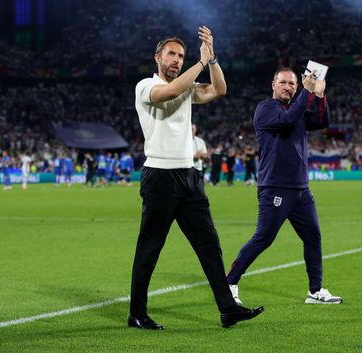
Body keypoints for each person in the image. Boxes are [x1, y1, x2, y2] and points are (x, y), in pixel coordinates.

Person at [129, 27, 264, 330]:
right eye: (171, 54)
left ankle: (227, 309)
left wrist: (212, 59)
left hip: (190, 177)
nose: (176, 59)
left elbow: (219, 90)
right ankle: (137, 313)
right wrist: (199, 64)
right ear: (158, 57)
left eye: (181, 55)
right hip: (160, 177)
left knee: (209, 244)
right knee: (150, 248)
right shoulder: (145, 86)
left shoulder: (188, 86)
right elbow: (172, 90)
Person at [226, 67, 342, 305]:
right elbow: (288, 121)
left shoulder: (296, 109)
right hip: (275, 188)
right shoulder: (266, 109)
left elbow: (322, 121)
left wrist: (320, 96)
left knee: (313, 237)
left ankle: (315, 291)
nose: (287, 87)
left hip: (301, 189)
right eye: (283, 83)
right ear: (273, 84)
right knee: (264, 238)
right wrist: (306, 94)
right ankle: (229, 283)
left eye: (292, 84)